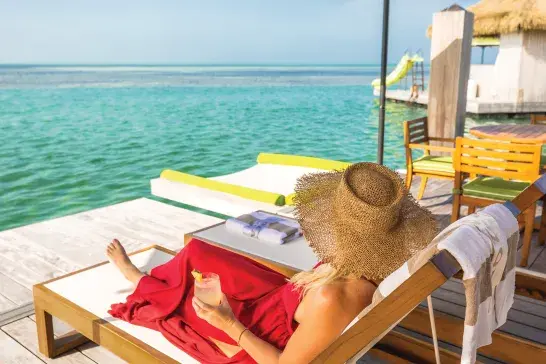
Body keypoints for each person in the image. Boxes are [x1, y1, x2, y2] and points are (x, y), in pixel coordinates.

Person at [108, 163, 437, 364]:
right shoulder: (374, 268)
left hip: (257, 334)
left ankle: (138, 277)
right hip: (279, 300)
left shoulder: (333, 299)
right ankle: (146, 277)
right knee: (199, 251)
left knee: (185, 297)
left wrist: (228, 325)